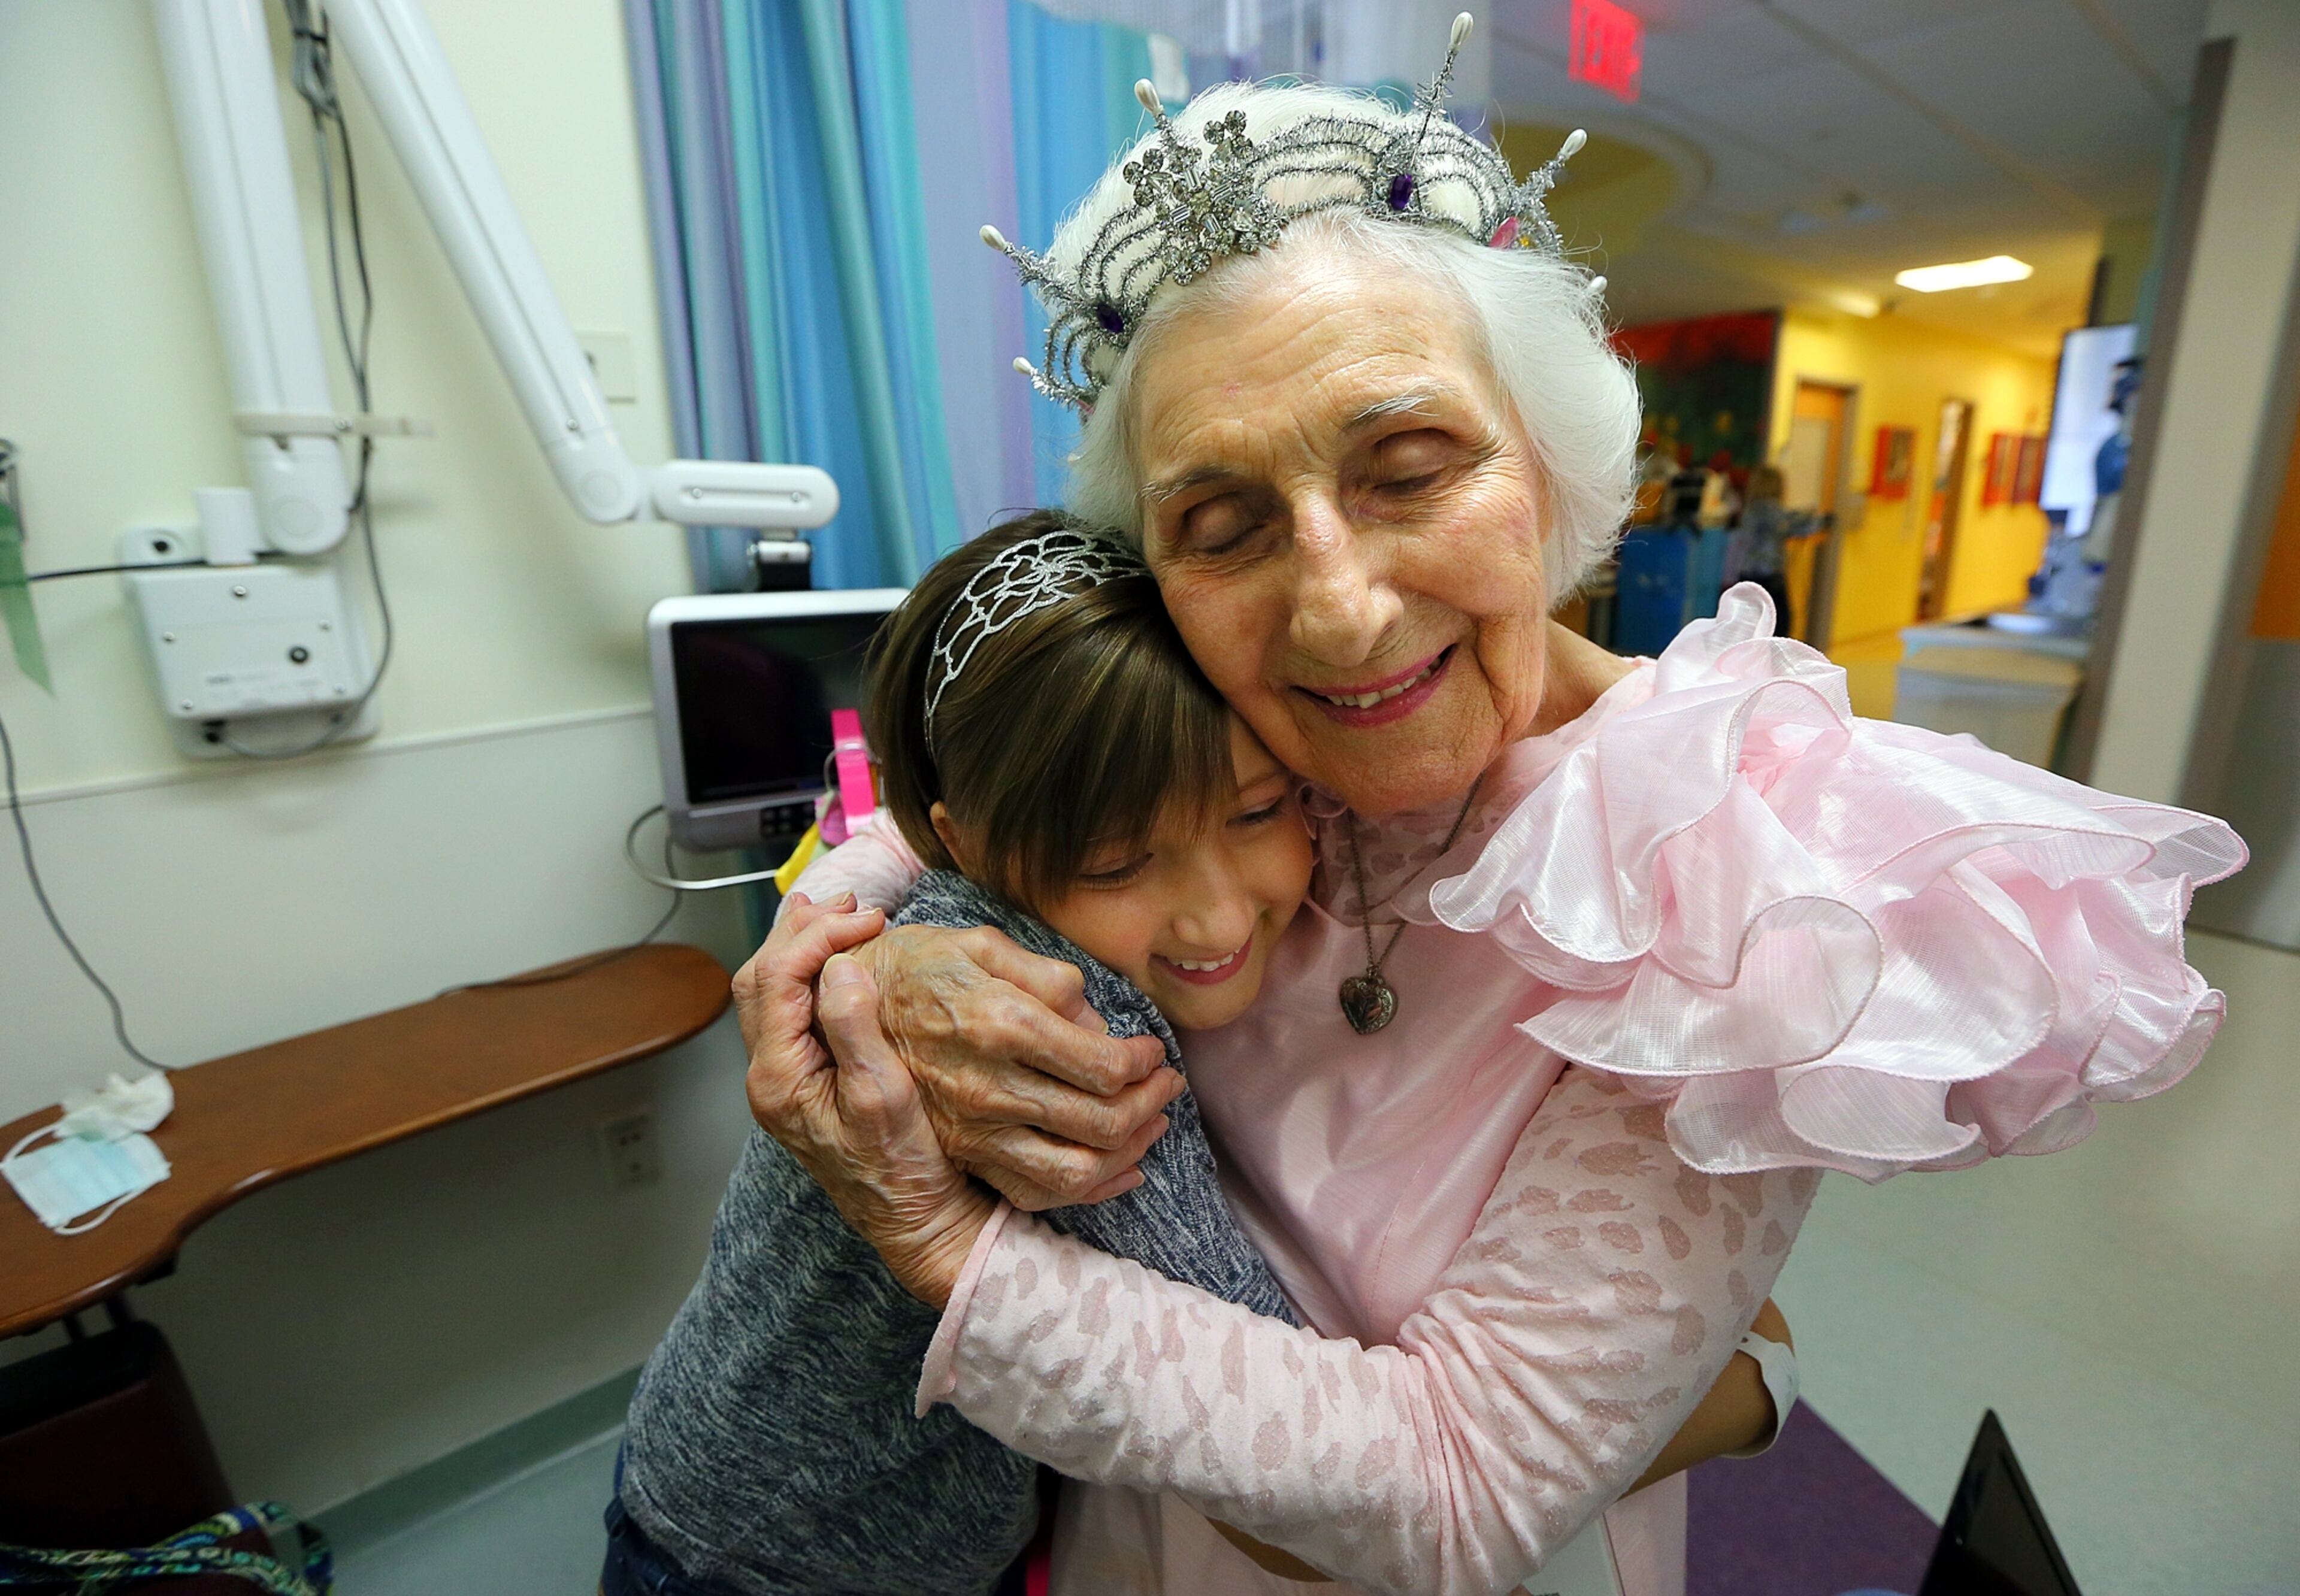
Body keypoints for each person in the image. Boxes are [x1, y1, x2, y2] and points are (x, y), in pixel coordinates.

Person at [743, 25, 2246, 1596]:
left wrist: (940, 1241)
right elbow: (937, 827)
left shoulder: (1721, 867)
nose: (1338, 611)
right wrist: (874, 963)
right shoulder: (1228, 724)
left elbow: (1460, 1491)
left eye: (1409, 466)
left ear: (1545, 458)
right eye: (1223, 522)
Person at [606, 512, 1309, 1596]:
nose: (1215, 919)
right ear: (964, 842)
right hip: (784, 1564)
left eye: (1260, 810)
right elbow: (1276, 1447)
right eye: (1117, 864)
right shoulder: (1057, 1017)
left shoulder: (938, 901)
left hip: (690, 1450)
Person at [1721, 464, 1813, 635]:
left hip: (1747, 573)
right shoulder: (1769, 509)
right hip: (1769, 576)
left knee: (1749, 625)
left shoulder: (1749, 510)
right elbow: (1790, 524)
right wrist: (1816, 519)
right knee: (1780, 624)